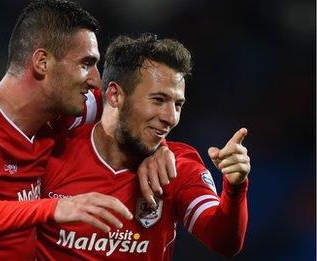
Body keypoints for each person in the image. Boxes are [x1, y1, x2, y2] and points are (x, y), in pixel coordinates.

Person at [0, 1, 137, 260]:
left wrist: (159, 151)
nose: (95, 79)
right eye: (86, 63)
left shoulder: (57, 115)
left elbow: (128, 113)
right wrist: (53, 208)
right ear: (42, 62)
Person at [36, 34, 250, 260]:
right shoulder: (53, 149)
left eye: (178, 104)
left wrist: (235, 189)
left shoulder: (176, 167)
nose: (171, 117)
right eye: (158, 100)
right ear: (115, 95)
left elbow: (224, 242)